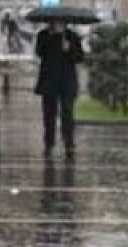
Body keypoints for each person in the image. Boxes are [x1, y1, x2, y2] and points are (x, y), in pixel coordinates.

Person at [35, 20, 84, 161]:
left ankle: (69, 143)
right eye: (55, 22)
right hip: (49, 81)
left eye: (61, 22)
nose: (58, 24)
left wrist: (69, 49)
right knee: (49, 114)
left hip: (67, 82)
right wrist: (52, 40)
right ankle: (49, 143)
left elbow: (79, 57)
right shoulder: (43, 35)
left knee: (67, 112)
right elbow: (39, 52)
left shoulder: (72, 36)